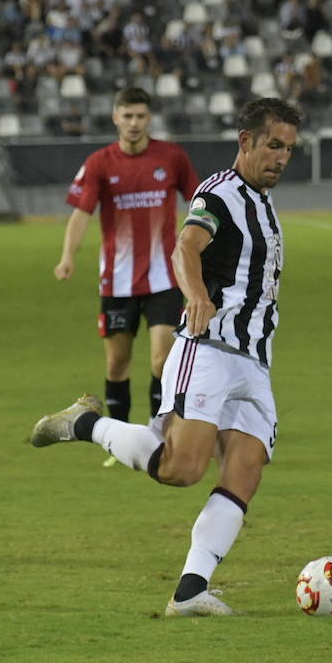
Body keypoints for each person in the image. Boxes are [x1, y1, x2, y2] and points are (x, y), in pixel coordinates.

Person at [31, 98, 304, 617]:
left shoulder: (263, 204)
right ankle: (84, 424)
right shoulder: (220, 193)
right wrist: (196, 295)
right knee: (182, 468)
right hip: (210, 350)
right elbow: (186, 248)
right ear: (245, 141)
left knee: (245, 470)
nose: (282, 157)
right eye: (274, 145)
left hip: (254, 363)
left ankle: (191, 590)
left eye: (289, 148)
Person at [53, 88, 199, 437]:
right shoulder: (100, 163)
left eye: (141, 116)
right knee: (117, 364)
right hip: (117, 282)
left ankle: (157, 433)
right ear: (116, 117)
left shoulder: (172, 157)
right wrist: (67, 257)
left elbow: (198, 201)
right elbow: (80, 215)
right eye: (128, 116)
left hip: (165, 278)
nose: (134, 123)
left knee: (163, 361)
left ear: (149, 119)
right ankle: (117, 437)